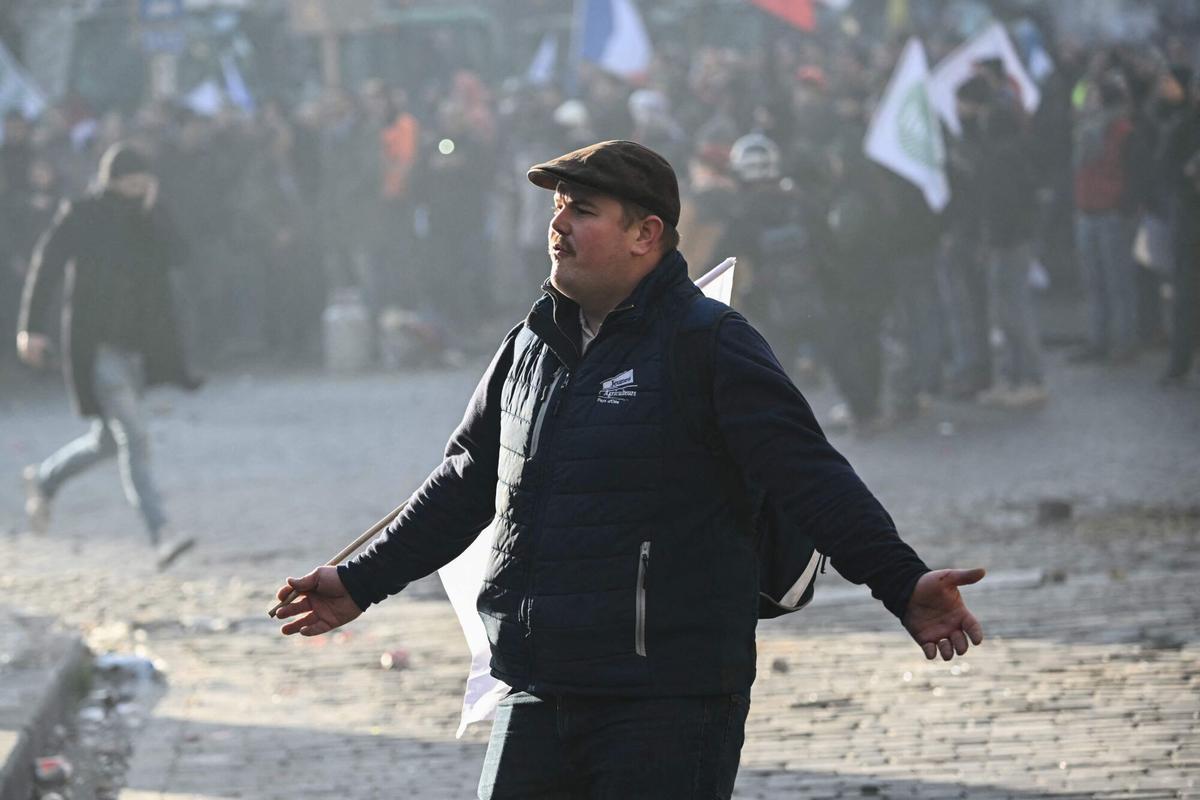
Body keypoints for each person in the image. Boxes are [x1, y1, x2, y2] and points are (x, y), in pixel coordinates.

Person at [274, 141, 985, 799]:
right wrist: (359, 581)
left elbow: (812, 478)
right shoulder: (528, 346)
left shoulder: (710, 344)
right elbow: (465, 484)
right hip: (537, 686)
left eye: (582, 211)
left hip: (670, 698)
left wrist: (903, 582)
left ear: (646, 235)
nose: (559, 227)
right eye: (556, 210)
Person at [16, 142, 199, 569]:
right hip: (96, 346)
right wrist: (31, 328)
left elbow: (181, 255)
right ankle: (161, 534)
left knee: (105, 441)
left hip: (139, 347)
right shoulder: (81, 214)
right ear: (113, 180)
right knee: (134, 437)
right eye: (131, 184)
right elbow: (46, 267)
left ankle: (44, 480)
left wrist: (154, 211)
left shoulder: (147, 215)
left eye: (144, 184)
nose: (137, 190)